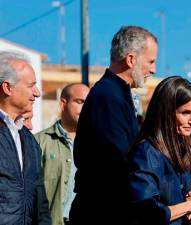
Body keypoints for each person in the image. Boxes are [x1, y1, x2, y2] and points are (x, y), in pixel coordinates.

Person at [70, 26, 158, 224]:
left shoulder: (118, 94)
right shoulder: (109, 97)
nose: (153, 69)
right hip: (103, 212)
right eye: (151, 61)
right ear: (131, 59)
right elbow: (119, 161)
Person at [128, 76, 191, 225]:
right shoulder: (147, 152)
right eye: (185, 113)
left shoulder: (181, 147)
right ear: (166, 113)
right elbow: (146, 213)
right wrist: (189, 206)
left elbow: (179, 196)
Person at [0, 51, 51, 225]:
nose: (37, 93)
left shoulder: (28, 140)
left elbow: (40, 201)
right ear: (8, 88)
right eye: (31, 86)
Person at [35, 83, 89, 225]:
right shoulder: (39, 141)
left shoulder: (97, 144)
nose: (86, 107)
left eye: (89, 103)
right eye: (80, 102)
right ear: (63, 103)